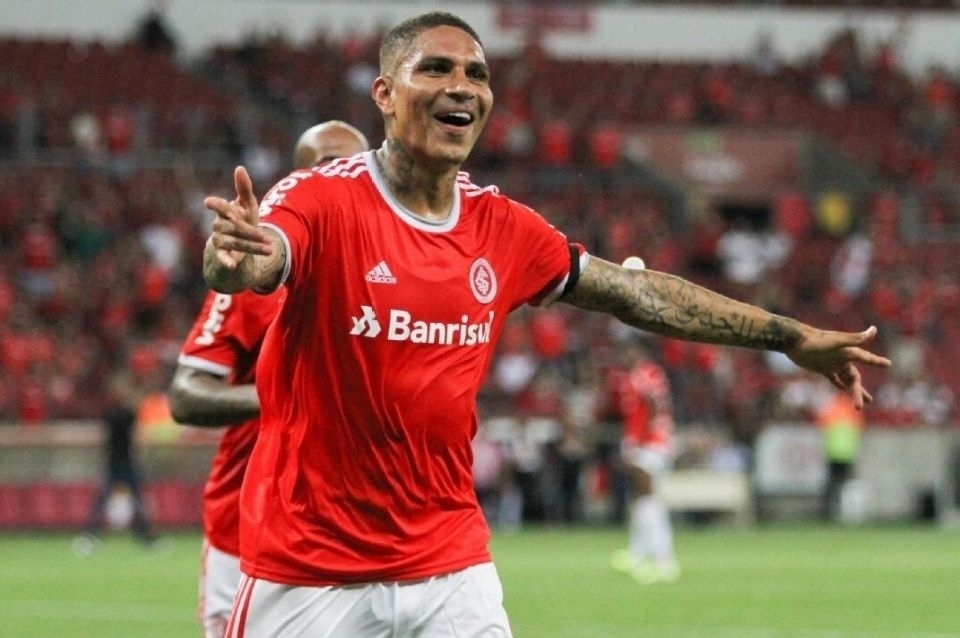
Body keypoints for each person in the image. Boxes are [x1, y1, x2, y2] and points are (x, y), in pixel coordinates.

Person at [201, 12, 890, 636]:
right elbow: (263, 255)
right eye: (435, 68)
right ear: (384, 93)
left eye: (477, 74)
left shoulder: (502, 226)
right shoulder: (321, 197)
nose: (461, 86)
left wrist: (790, 336)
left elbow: (637, 295)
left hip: (450, 565)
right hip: (309, 570)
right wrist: (235, 258)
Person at [167, 120, 369, 638]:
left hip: (357, 532)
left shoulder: (389, 276)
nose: (345, 178)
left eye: (357, 166)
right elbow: (186, 396)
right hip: (248, 529)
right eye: (329, 166)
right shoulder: (255, 279)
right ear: (297, 181)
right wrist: (287, 394)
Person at [73, 348, 162, 556]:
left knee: (115, 500)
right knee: (129, 500)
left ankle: (94, 535)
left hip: (118, 462)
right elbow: (136, 433)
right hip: (122, 462)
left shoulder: (112, 414)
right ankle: (143, 536)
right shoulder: (125, 414)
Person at [609, 338, 680, 584]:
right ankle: (637, 556)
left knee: (649, 499)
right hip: (653, 441)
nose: (624, 356)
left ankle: (664, 560)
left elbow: (651, 406)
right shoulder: (645, 374)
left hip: (651, 444)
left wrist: (637, 441)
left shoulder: (643, 374)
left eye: (627, 351)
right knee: (642, 499)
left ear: (638, 351)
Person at [816, 388, 865, 522]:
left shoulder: (830, 407)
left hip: (833, 452)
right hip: (848, 453)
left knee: (832, 485)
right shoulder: (853, 408)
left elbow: (820, 423)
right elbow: (860, 427)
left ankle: (829, 512)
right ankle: (847, 513)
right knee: (847, 486)